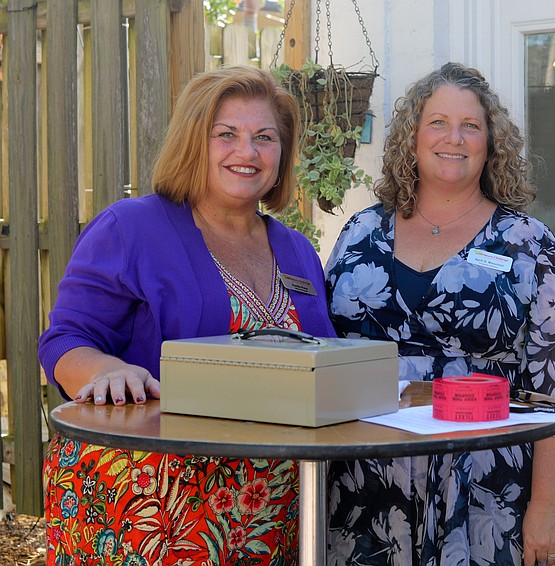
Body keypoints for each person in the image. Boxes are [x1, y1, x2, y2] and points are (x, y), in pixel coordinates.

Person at [39, 65, 336, 564]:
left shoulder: (298, 250)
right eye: (226, 134)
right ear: (193, 144)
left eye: (264, 137)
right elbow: (64, 340)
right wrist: (107, 369)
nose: (247, 152)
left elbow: (325, 358)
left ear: (281, 155)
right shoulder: (130, 228)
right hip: (149, 508)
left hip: (269, 509)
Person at [324, 61, 555, 566]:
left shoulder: (528, 245)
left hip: (487, 488)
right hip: (364, 486)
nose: (455, 138)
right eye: (438, 123)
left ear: (491, 143)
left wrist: (549, 504)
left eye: (471, 126)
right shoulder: (360, 233)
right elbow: (324, 351)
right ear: (413, 137)